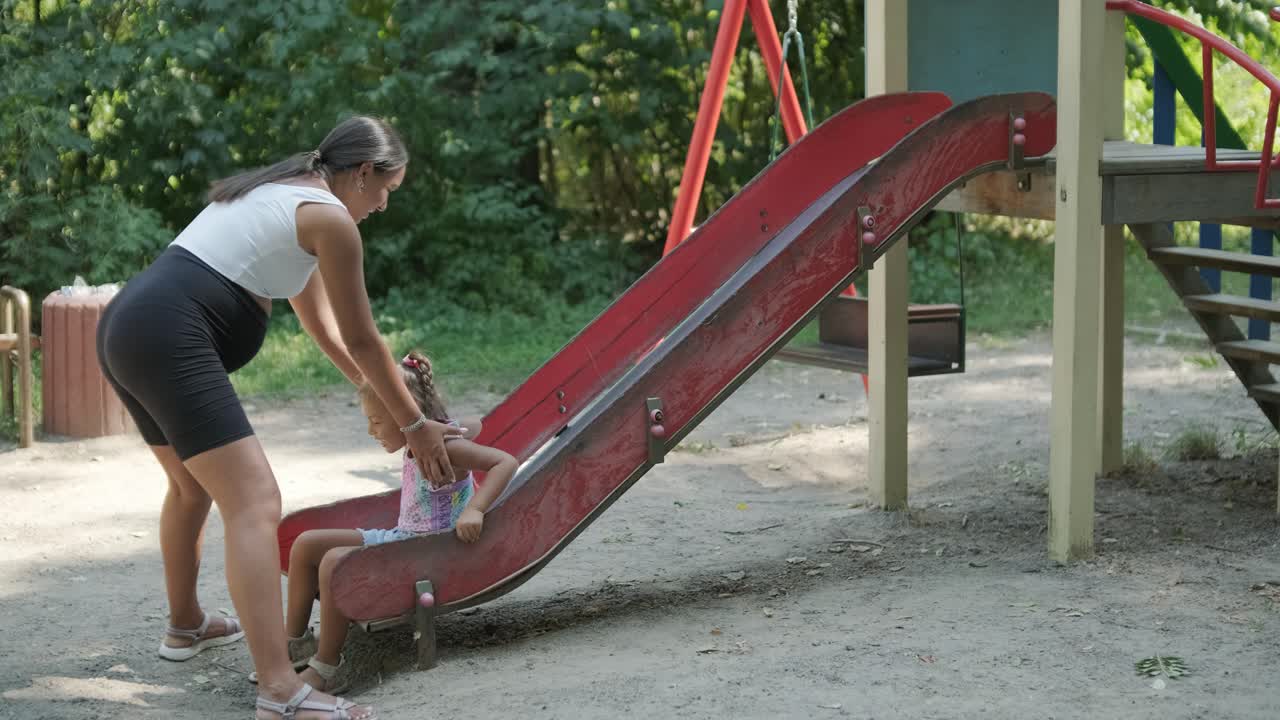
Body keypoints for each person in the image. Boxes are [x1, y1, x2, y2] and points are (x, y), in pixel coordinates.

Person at [96, 116, 462, 720]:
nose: (383, 205)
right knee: (255, 501)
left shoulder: (287, 196)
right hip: (166, 333)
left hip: (128, 325)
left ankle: (186, 625)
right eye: (386, 190)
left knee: (191, 489)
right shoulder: (330, 220)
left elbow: (321, 326)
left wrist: (376, 393)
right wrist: (416, 427)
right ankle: (280, 690)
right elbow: (365, 337)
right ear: (364, 172)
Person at [276, 350, 517, 693]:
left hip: (428, 552)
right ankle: (295, 646)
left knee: (333, 561)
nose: (371, 430)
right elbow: (475, 425)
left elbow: (504, 462)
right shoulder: (423, 440)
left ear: (406, 417)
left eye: (376, 421)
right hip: (404, 538)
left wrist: (475, 508)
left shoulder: (445, 448)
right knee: (306, 544)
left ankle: (329, 667)